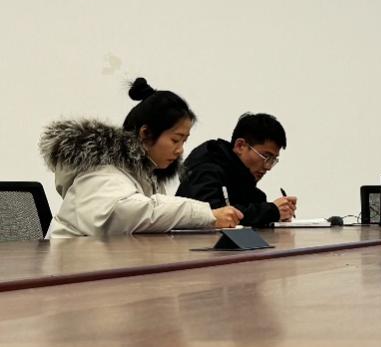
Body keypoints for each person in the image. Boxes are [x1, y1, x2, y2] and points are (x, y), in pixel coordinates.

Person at [39, 78, 243, 237]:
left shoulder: (147, 175)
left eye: (184, 141)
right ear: (145, 134)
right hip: (68, 270)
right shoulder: (101, 170)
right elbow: (125, 211)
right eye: (175, 140)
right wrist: (206, 215)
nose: (180, 150)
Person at [177, 112, 295, 227]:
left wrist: (278, 214)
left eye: (273, 160)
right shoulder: (207, 169)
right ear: (240, 146)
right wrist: (271, 211)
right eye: (266, 157)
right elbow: (212, 215)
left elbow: (247, 210)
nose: (268, 167)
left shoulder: (242, 178)